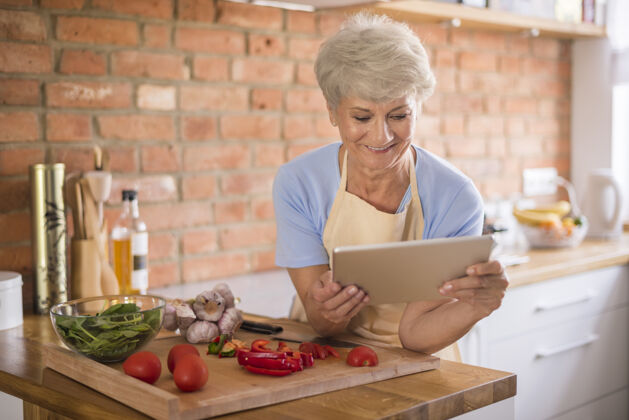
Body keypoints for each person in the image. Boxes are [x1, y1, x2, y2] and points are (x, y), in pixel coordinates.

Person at [272, 13, 508, 361]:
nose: (382, 136)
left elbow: (415, 334)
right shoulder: (299, 183)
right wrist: (326, 308)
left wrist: (478, 306)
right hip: (324, 354)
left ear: (419, 108)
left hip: (415, 360)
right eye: (362, 117)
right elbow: (322, 323)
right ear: (333, 112)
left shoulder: (455, 196)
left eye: (399, 115)